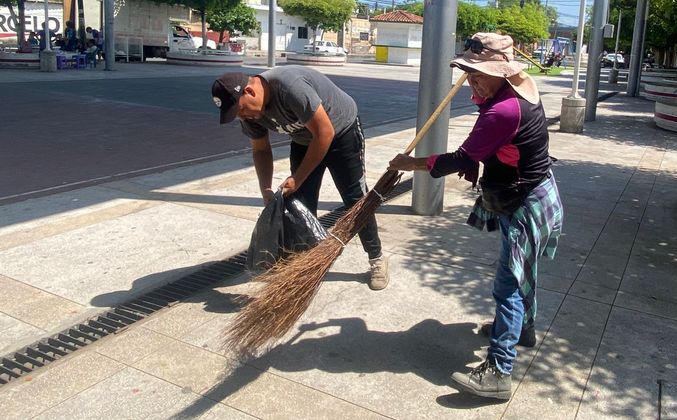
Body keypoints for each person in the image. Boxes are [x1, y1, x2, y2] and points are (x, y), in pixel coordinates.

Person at [388, 32, 564, 400]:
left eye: (477, 72)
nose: (470, 79)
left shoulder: (503, 109)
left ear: (502, 72)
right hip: (534, 191)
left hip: (525, 204)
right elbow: (494, 148)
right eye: (468, 71)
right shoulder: (518, 86)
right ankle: (525, 330)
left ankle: (499, 371)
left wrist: (411, 163)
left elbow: (460, 159)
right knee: (523, 271)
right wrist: (482, 157)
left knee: (508, 285)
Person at [211, 67, 390, 290]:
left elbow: (325, 133)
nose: (243, 117)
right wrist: (265, 188)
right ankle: (305, 263)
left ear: (249, 91)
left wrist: (297, 178)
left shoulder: (290, 87)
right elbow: (260, 150)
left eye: (241, 111)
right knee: (299, 205)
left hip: (341, 133)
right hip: (304, 139)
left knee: (356, 200)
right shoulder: (249, 111)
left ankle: (376, 258)